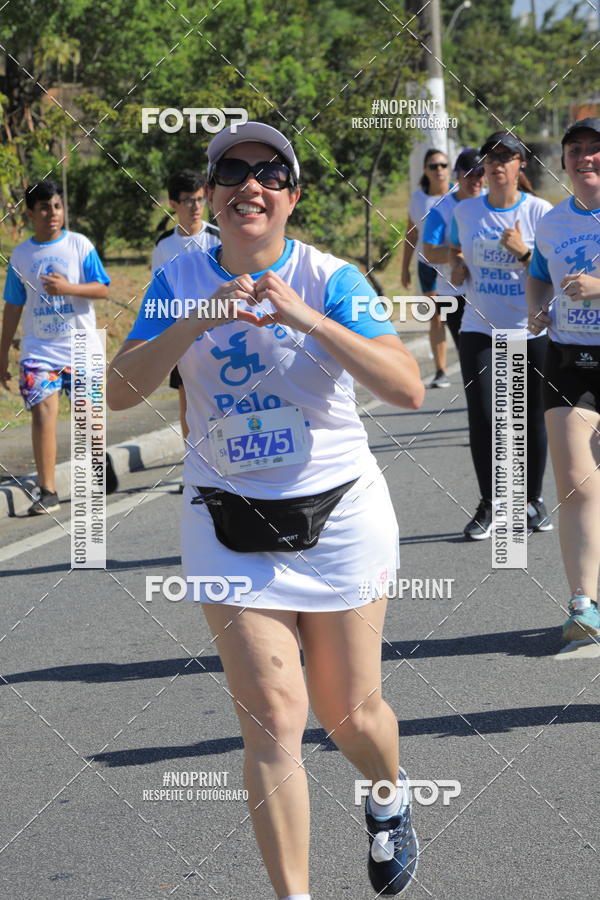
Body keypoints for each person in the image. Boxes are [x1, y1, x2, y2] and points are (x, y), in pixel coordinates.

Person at [107, 121, 425, 899]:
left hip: (339, 515)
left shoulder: (330, 277)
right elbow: (118, 392)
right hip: (226, 518)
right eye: (233, 172)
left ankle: (388, 797)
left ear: (292, 197)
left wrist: (306, 317)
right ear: (211, 195)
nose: (251, 184)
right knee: (275, 719)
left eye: (271, 172)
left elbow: (407, 388)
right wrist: (198, 319)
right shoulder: (179, 280)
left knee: (349, 716)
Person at [449, 132, 553, 540]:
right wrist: (459, 270)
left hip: (529, 328)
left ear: (520, 164)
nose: (497, 164)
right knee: (484, 416)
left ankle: (532, 500)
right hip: (479, 327)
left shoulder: (539, 212)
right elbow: (459, 265)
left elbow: (553, 274)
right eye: (491, 157)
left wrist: (523, 253)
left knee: (531, 417)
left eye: (506, 157)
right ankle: (490, 503)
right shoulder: (466, 211)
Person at [526, 117, 600, 642]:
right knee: (575, 479)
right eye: (576, 149)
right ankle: (583, 601)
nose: (586, 157)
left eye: (596, 148)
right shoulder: (552, 222)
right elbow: (536, 274)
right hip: (569, 356)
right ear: (565, 161)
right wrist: (537, 309)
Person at [0, 179, 110, 514]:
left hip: (80, 346)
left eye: (57, 206)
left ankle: (98, 465)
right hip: (39, 350)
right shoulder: (21, 255)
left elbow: (102, 289)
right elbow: (13, 306)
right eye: (45, 208)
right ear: (30, 213)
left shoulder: (79, 245)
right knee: (42, 413)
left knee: (87, 416)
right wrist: (2, 353)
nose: (53, 213)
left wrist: (68, 288)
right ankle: (47, 490)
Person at [152, 170, 220, 454]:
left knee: (223, 401)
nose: (196, 206)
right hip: (184, 338)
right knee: (188, 404)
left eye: (200, 199)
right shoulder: (164, 245)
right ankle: (195, 461)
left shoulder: (218, 237)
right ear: (173, 204)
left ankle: (226, 460)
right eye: (188, 200)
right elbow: (160, 295)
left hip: (221, 335)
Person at [422, 148, 485, 349]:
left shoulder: (492, 201)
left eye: (480, 173)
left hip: (489, 292)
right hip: (454, 294)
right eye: (469, 174)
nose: (475, 180)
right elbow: (429, 253)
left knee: (502, 356)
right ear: (457, 175)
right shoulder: (441, 208)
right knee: (471, 355)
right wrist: (466, 253)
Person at [402, 148, 451, 388]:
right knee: (437, 317)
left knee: (463, 317)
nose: (438, 170)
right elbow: (411, 235)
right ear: (425, 170)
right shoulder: (418, 199)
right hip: (428, 265)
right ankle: (441, 371)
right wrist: (404, 269)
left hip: (455, 264)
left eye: (443, 165)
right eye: (433, 166)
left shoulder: (459, 195)